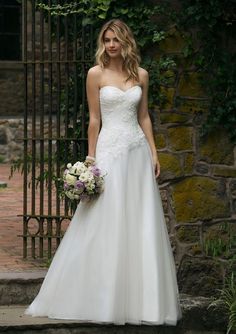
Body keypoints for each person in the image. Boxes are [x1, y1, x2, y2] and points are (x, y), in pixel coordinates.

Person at [25, 19, 182, 325]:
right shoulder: (95, 74)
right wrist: (91, 159)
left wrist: (153, 151)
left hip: (136, 152)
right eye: (107, 40)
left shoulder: (141, 75)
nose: (111, 45)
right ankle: (96, 295)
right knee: (102, 218)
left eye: (116, 40)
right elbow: (94, 119)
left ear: (126, 43)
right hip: (110, 151)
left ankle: (142, 302)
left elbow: (144, 116)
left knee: (140, 221)